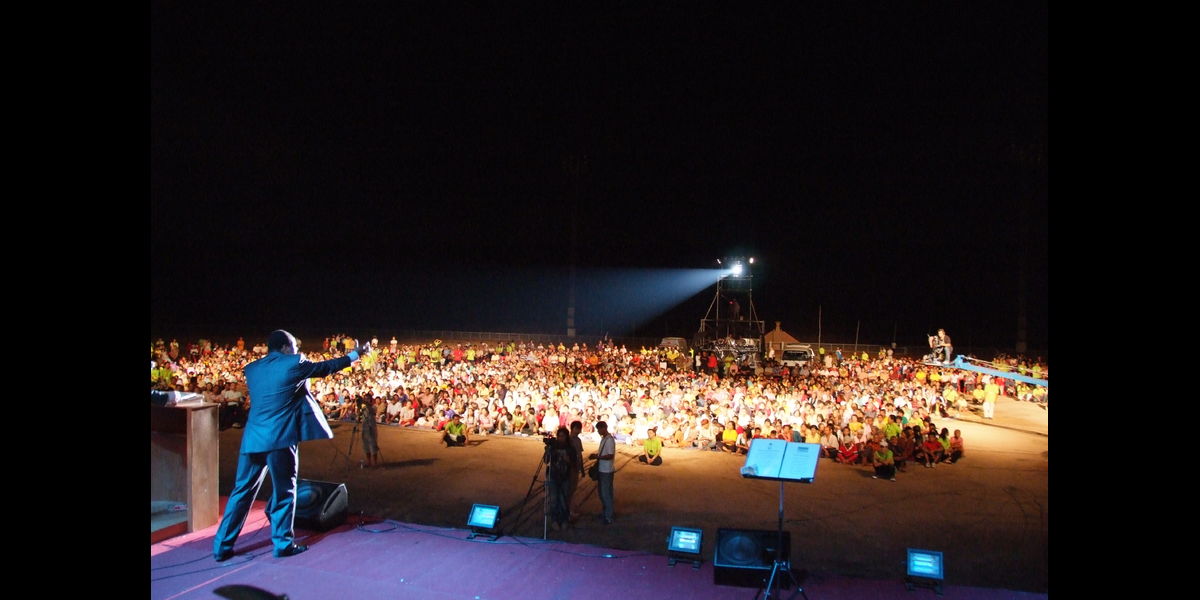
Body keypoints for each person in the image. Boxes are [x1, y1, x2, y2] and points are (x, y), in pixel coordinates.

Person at [213, 330, 368, 561]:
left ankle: (222, 546)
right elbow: (324, 368)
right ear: (286, 347)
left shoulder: (252, 369)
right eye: (295, 346)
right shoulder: (293, 363)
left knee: (241, 492)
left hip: (253, 438)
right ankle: (283, 543)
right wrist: (355, 355)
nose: (297, 350)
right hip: (280, 440)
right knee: (284, 492)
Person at [544, 426, 578, 529]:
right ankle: (554, 520)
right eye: (559, 436)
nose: (560, 438)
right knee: (554, 500)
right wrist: (547, 451)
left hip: (565, 477)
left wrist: (568, 460)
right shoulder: (553, 447)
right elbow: (546, 461)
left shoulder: (570, 449)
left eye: (562, 436)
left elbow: (574, 464)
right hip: (553, 476)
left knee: (563, 500)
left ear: (566, 437)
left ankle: (564, 520)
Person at [595, 420, 616, 524]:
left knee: (605, 493)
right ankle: (606, 513)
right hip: (603, 469)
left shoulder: (609, 440)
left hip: (606, 470)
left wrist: (598, 457)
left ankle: (608, 516)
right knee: (604, 493)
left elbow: (610, 455)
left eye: (599, 429)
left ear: (604, 428)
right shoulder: (605, 439)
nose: (598, 431)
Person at [358, 394, 381, 468]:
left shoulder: (373, 406)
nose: (366, 400)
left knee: (373, 445)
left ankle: (375, 463)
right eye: (365, 398)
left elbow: (372, 410)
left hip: (371, 427)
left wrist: (363, 402)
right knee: (366, 446)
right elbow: (359, 414)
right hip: (365, 427)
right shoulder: (363, 407)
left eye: (367, 398)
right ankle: (369, 462)